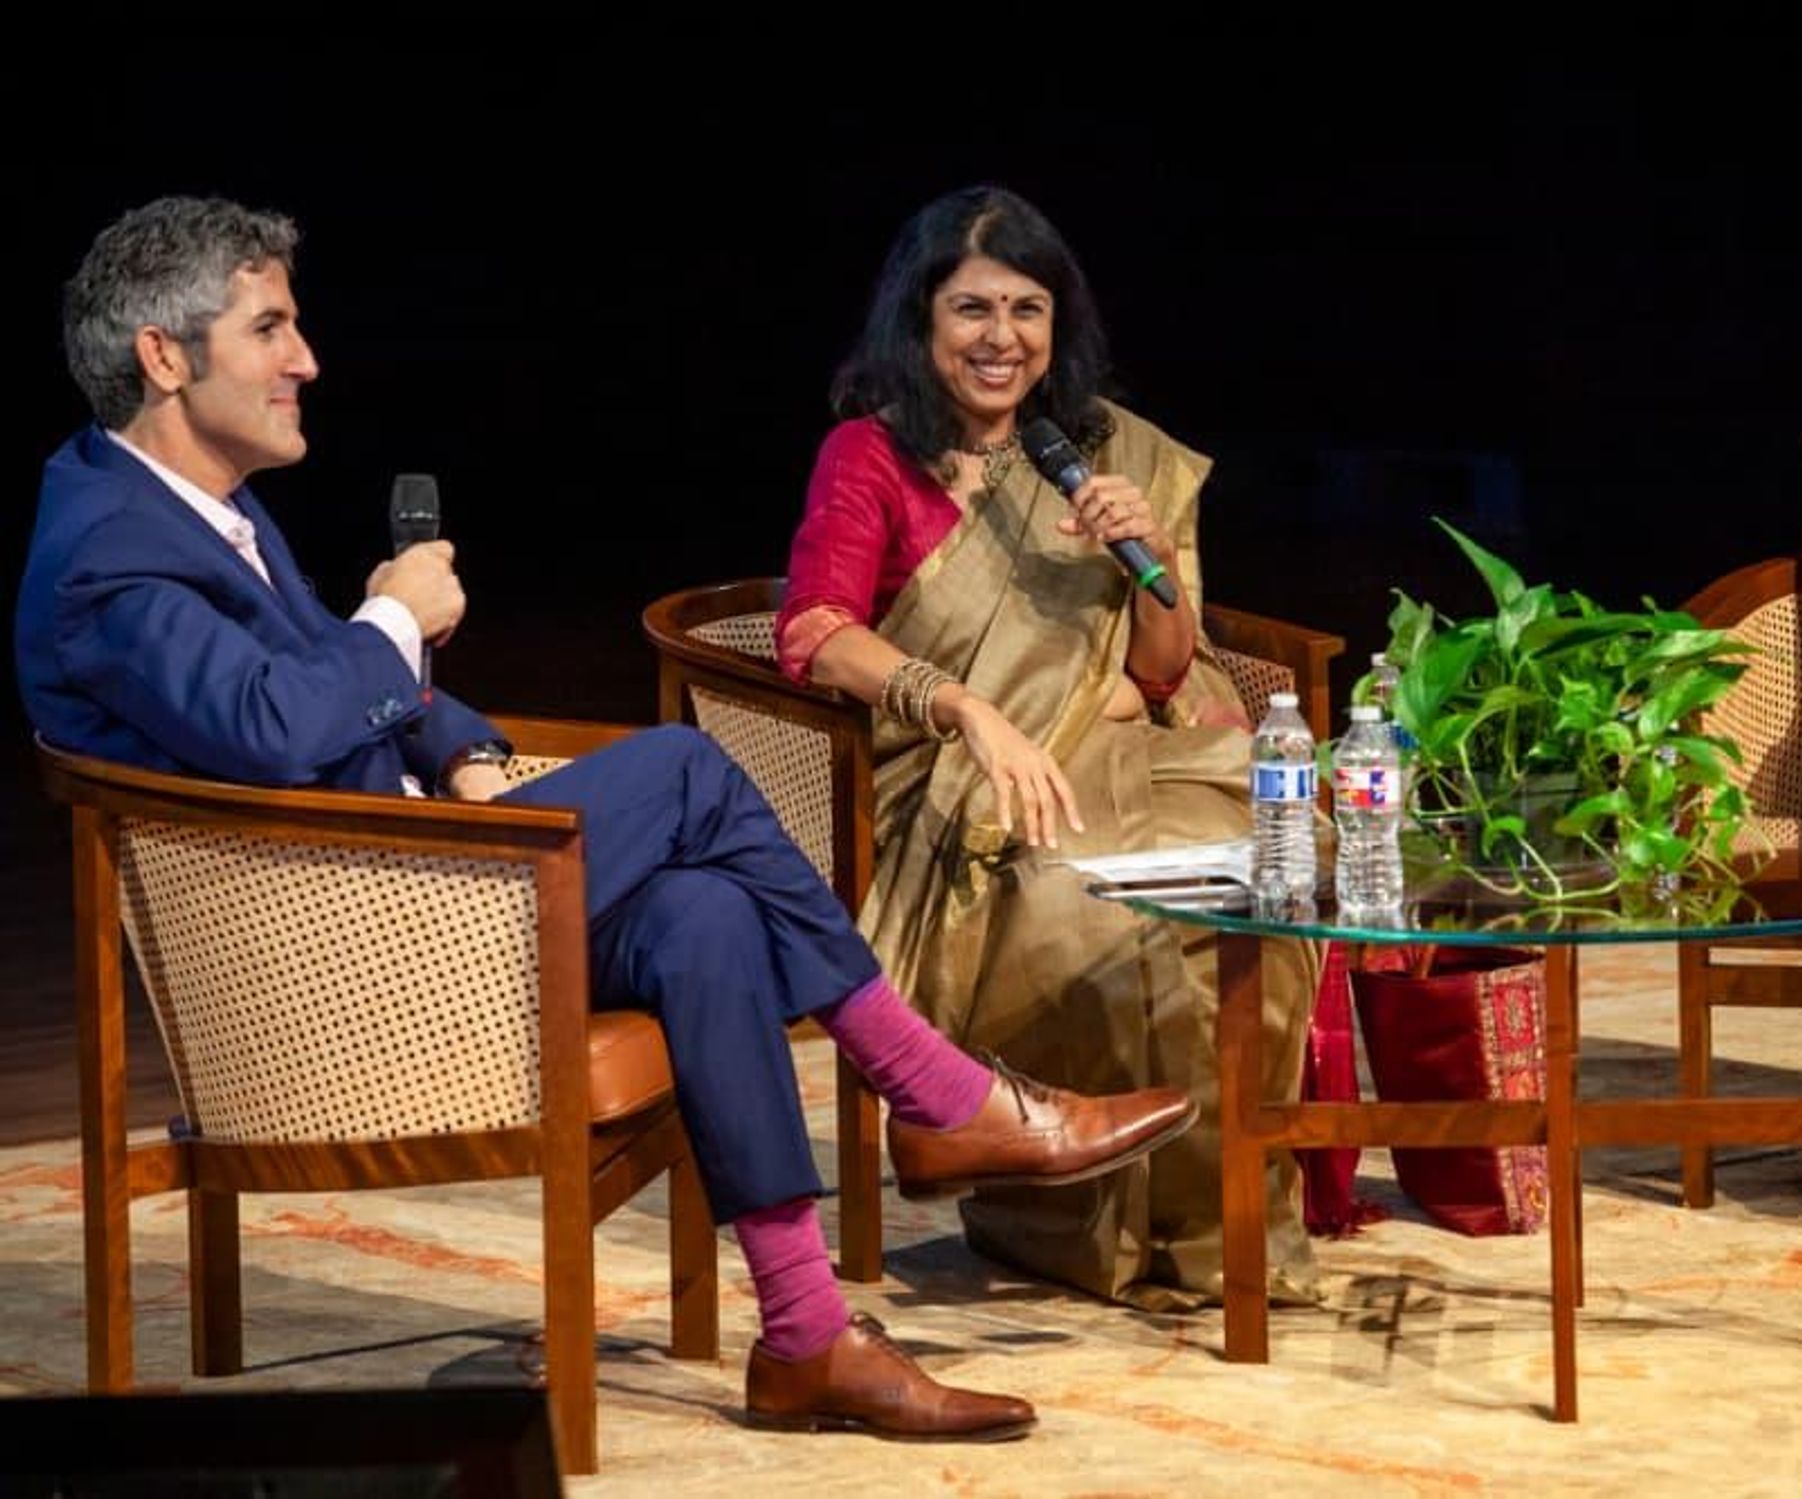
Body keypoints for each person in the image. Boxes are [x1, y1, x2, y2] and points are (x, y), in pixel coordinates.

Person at [15, 194, 1201, 1441]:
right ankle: (934, 1087)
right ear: (163, 353)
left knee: (700, 916)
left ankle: (804, 1336)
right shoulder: (111, 552)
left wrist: (465, 747)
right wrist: (396, 618)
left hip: (416, 880)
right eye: (270, 329)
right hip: (345, 952)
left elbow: (322, 685)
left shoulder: (190, 508)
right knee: (686, 771)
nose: (305, 359)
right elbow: (269, 724)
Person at [776, 186, 1324, 1308]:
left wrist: (1148, 548)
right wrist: (967, 707)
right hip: (957, 782)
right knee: (1077, 901)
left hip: (1125, 748)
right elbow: (813, 631)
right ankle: (1073, 1224)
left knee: (1255, 888)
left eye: (1026, 309)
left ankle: (1214, 1222)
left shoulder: (1102, 450)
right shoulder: (870, 456)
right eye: (972, 308)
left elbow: (1161, 670)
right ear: (920, 322)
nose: (1001, 338)